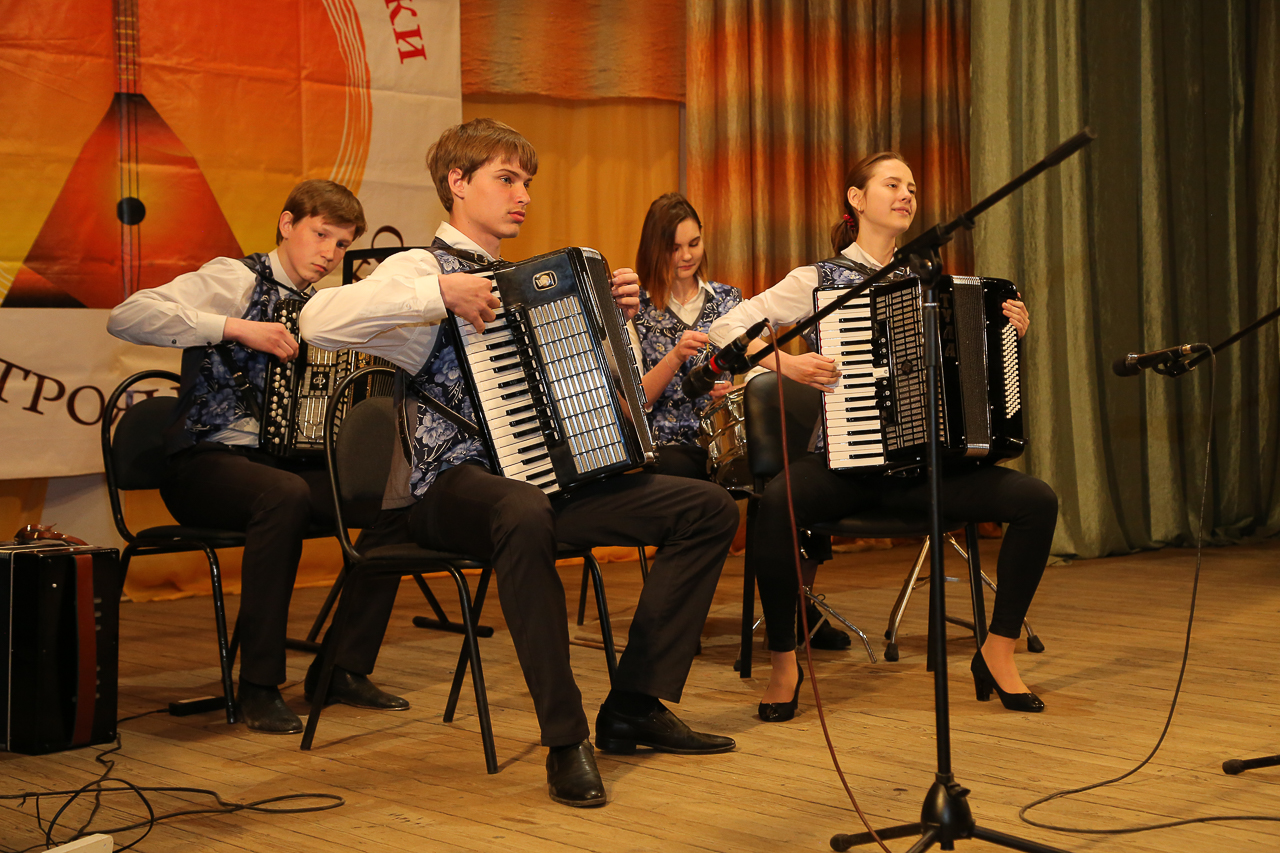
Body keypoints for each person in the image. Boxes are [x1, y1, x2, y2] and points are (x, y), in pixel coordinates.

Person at [297, 118, 740, 808]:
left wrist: (619, 320)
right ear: (457, 182)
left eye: (527, 182)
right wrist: (440, 295)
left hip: (546, 487)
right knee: (521, 507)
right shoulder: (419, 269)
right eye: (506, 179)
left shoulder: (538, 284)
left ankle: (634, 703)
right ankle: (566, 739)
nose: (523, 195)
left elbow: (607, 396)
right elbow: (316, 321)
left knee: (706, 507)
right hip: (446, 491)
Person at [709, 152, 1058, 722]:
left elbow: (970, 372)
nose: (906, 195)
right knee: (775, 505)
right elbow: (724, 326)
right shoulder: (818, 280)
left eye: (912, 187)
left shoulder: (932, 282)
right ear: (856, 198)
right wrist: (786, 363)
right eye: (892, 184)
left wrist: (1004, 331)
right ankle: (784, 663)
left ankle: (997, 652)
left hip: (927, 471)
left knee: (1036, 501)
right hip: (847, 467)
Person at [107, 180, 409, 735]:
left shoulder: (327, 306)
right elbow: (127, 315)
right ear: (286, 224)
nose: (329, 253)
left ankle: (341, 667)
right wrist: (235, 327)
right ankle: (259, 684)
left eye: (342, 244)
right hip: (204, 462)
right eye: (321, 234)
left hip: (282, 464)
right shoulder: (235, 279)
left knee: (394, 500)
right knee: (283, 496)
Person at [628, 192, 852, 650]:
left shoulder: (728, 300)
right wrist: (675, 357)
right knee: (687, 485)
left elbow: (754, 373)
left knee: (796, 481)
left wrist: (736, 386)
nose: (687, 256)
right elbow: (636, 400)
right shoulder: (637, 311)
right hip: (674, 442)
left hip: (734, 436)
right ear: (654, 249)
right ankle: (675, 617)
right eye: (674, 247)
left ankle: (796, 608)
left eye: (694, 243)